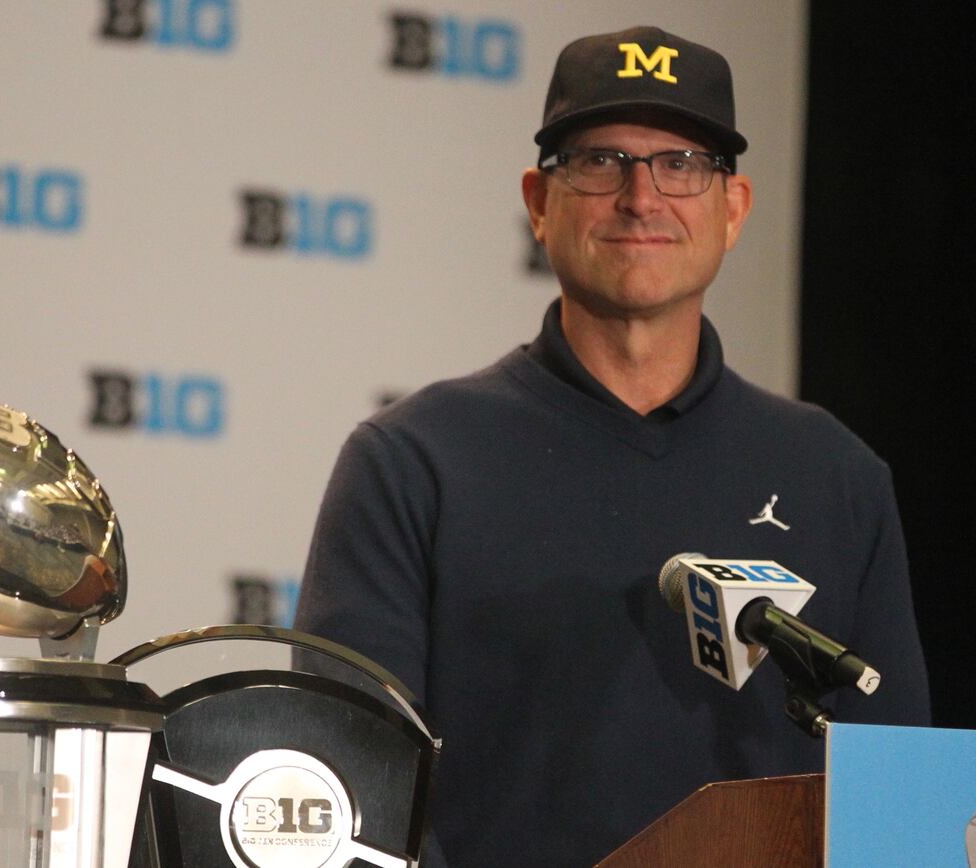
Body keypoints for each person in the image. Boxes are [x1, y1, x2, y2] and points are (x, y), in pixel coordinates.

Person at [296, 25, 931, 867]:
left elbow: (898, 794)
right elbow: (346, 787)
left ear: (732, 209)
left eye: (682, 164)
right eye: (600, 161)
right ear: (537, 202)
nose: (642, 197)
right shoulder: (413, 463)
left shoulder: (835, 475)